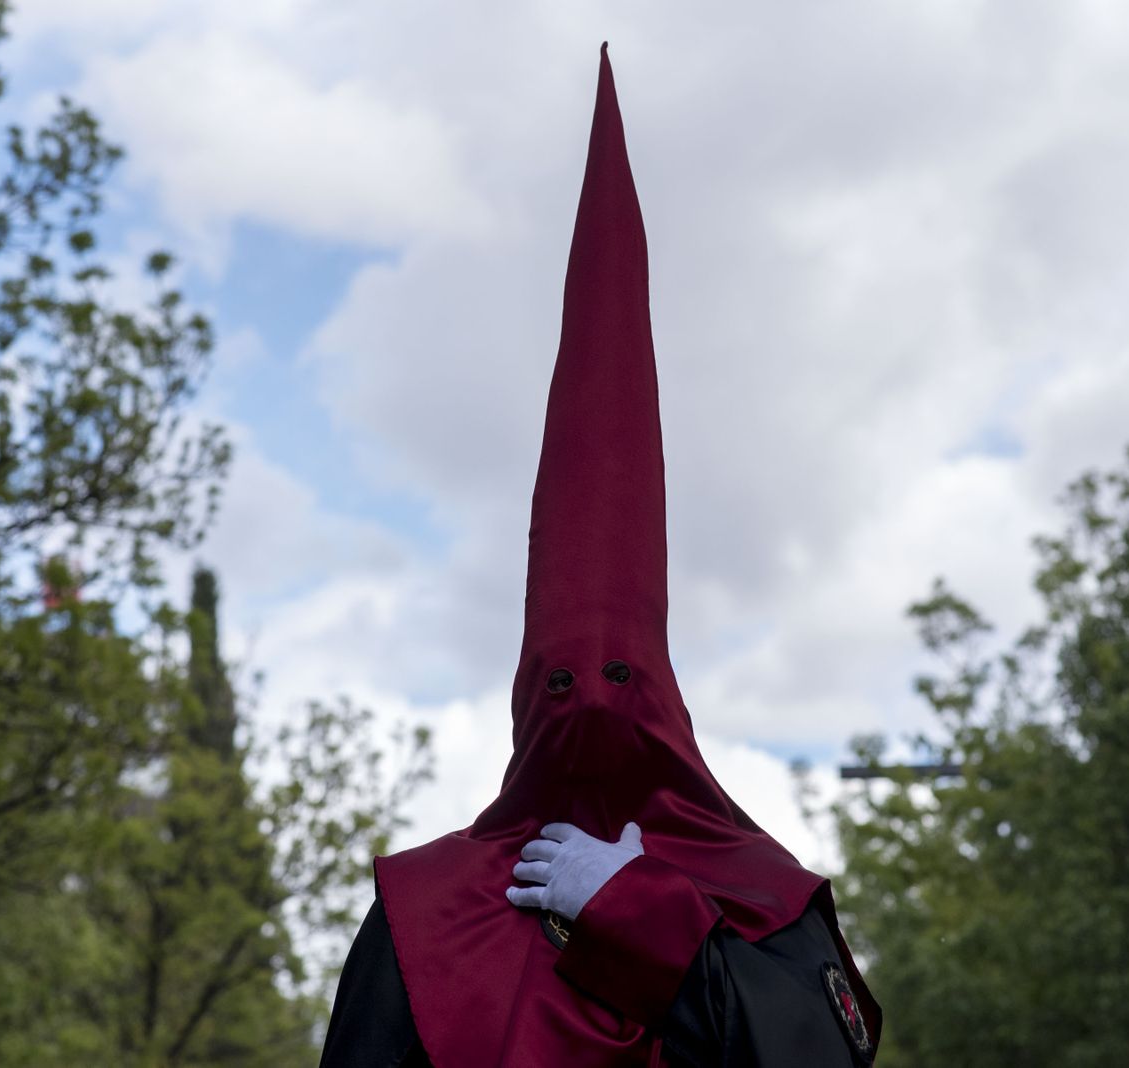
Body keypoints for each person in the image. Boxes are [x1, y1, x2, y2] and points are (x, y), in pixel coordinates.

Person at [320, 44, 881, 1068]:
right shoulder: (417, 918)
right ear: (524, 696)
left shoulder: (760, 896)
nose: (589, 709)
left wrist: (646, 920)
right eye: (562, 681)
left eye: (618, 679)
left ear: (662, 695)